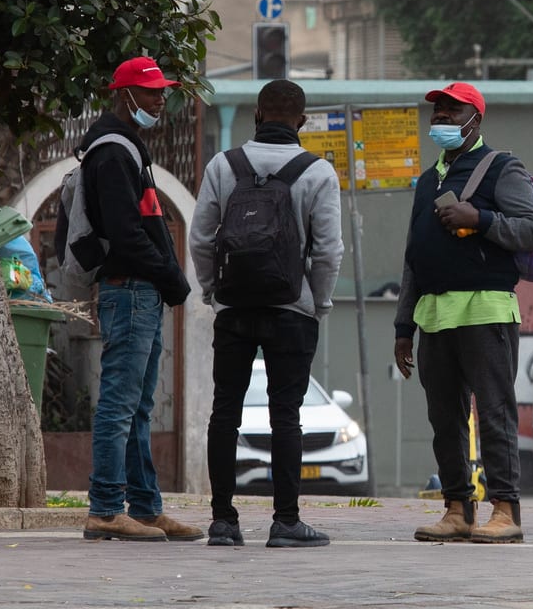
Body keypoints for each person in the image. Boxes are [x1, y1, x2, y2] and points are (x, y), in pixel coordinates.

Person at [190, 79, 345, 547]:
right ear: (301, 121)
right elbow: (329, 252)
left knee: (225, 412)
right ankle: (286, 522)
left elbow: (200, 238)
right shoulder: (318, 172)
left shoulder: (224, 165)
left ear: (256, 116)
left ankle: (223, 521)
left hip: (234, 307)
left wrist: (214, 291)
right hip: (291, 312)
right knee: (286, 416)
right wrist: (317, 302)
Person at [393, 82, 533, 543]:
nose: (439, 119)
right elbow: (413, 256)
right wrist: (403, 326)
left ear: (474, 119)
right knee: (444, 417)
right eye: (436, 113)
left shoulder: (502, 168)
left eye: (450, 111)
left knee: (495, 411)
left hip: (485, 308)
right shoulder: (427, 180)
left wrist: (479, 219)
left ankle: (505, 509)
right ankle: (458, 508)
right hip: (434, 314)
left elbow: (532, 230)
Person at [80, 56, 199, 542]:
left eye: (161, 91)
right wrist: (172, 277)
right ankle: (106, 509)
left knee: (139, 406)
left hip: (142, 290)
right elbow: (129, 235)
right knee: (119, 404)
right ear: (124, 95)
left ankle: (145, 508)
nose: (159, 99)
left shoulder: (129, 146)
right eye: (150, 92)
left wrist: (167, 281)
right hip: (129, 289)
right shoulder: (111, 152)